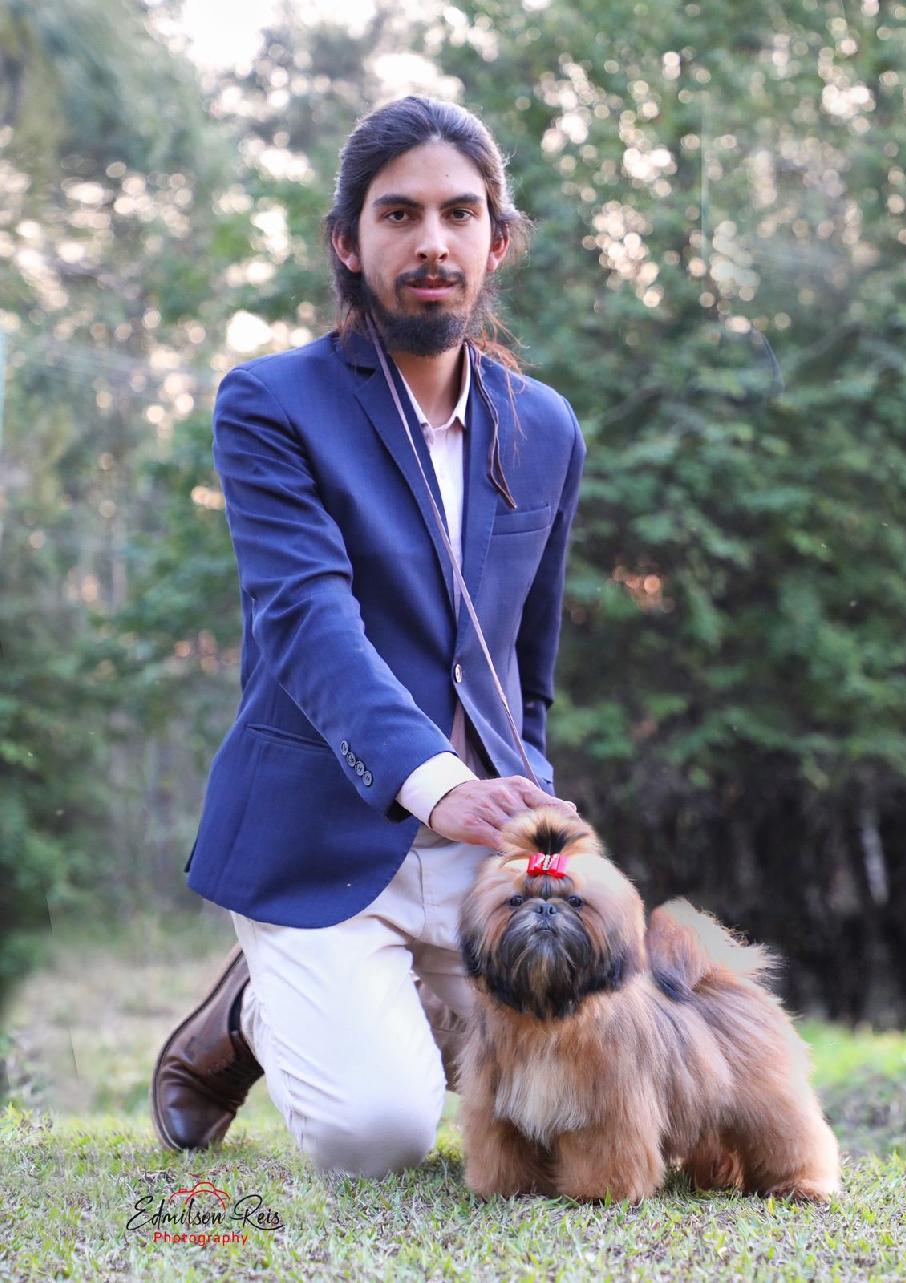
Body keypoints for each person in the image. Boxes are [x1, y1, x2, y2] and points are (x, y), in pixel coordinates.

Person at [150, 95, 587, 1177]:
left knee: (575, 1110)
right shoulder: (271, 403)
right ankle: (261, 1006)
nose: (432, 241)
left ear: (496, 240)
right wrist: (435, 784)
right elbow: (309, 624)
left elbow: (526, 662)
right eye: (399, 214)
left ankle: (323, 1005)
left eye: (459, 213)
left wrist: (529, 802)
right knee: (379, 1135)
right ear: (348, 241)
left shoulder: (544, 425)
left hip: (483, 849)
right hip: (324, 839)